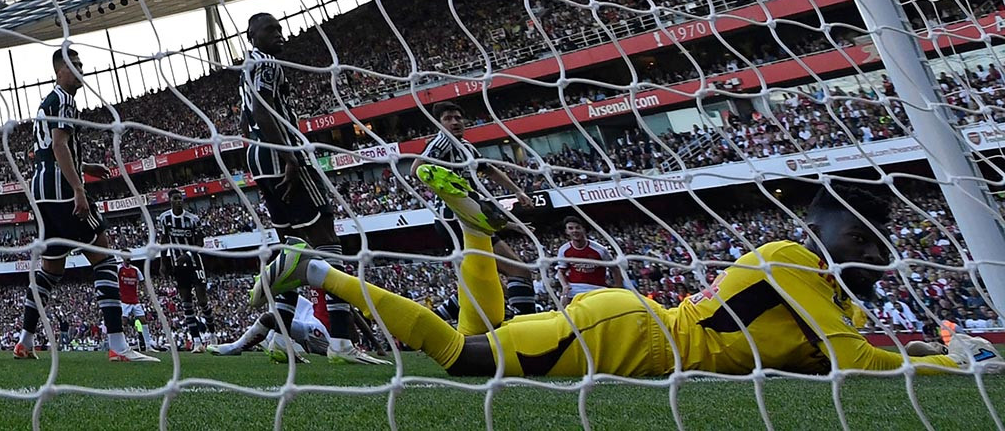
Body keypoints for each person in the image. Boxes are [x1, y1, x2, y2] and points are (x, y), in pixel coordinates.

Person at [251, 180, 1004, 377]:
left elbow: (859, 352)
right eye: (868, 236)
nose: (880, 251)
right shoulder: (792, 259)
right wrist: (952, 359)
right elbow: (858, 364)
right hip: (629, 339)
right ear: (832, 231)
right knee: (466, 359)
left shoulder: (834, 294)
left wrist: (946, 349)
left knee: (483, 335)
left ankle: (475, 228)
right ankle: (315, 268)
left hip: (628, 327)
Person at [240, 12, 387, 365]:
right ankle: (340, 342)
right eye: (270, 29)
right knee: (327, 243)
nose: (279, 34)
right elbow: (261, 111)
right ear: (252, 36)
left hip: (257, 159)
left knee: (293, 249)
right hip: (283, 156)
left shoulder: (245, 68)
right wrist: (290, 155)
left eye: (280, 28)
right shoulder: (267, 64)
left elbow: (245, 121)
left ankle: (277, 338)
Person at [14, 48, 157, 362]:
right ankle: (118, 346)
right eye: (73, 64)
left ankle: (24, 341)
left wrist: (85, 165)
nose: (80, 69)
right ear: (59, 70)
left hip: (41, 193)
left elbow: (48, 149)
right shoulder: (64, 99)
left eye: (81, 64)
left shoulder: (47, 102)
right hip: (63, 191)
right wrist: (79, 188)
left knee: (52, 268)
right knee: (104, 256)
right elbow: (59, 144)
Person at [411, 101, 537, 322]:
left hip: (472, 219)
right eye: (448, 118)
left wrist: (517, 191)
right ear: (438, 123)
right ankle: (527, 325)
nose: (455, 122)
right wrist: (442, 183)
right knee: (519, 271)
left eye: (458, 118)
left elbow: (489, 170)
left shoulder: (467, 147)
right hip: (455, 221)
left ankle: (434, 321)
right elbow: (416, 169)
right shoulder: (442, 142)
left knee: (484, 286)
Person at [157, 190, 215, 352]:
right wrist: (163, 262)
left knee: (202, 301)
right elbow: (163, 241)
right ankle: (196, 342)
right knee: (186, 303)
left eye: (180, 199)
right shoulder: (164, 218)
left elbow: (200, 243)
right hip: (177, 265)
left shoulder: (192, 219)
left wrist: (187, 255)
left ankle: (213, 336)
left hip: (195, 263)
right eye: (175, 199)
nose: (178, 201)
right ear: (170, 201)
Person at [208, 294, 328, 363]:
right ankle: (274, 340)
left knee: (269, 318)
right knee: (278, 285)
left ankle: (239, 346)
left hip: (323, 333)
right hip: (316, 319)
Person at [556, 216, 628, 304]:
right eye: (570, 228)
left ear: (583, 229)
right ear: (566, 231)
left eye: (577, 228)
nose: (574, 230)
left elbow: (615, 268)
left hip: (597, 288)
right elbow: (561, 272)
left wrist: (618, 286)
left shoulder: (599, 249)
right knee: (562, 307)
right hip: (575, 288)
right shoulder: (564, 250)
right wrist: (565, 286)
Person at [118, 254, 157, 351]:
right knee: (124, 322)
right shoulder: (118, 269)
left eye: (129, 257)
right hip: (124, 301)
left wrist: (146, 293)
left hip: (135, 300)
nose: (128, 259)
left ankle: (148, 346)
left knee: (143, 320)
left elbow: (142, 281)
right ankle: (122, 345)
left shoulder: (135, 269)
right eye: (126, 258)